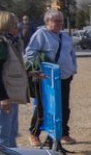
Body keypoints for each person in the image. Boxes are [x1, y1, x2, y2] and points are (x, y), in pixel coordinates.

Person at [23, 9, 78, 147]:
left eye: (61, 21)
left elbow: (71, 53)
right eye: (56, 21)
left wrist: (73, 68)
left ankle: (63, 133)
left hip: (65, 76)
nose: (59, 24)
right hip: (47, 77)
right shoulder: (41, 34)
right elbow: (30, 54)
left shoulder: (64, 36)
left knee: (64, 107)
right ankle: (34, 133)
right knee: (44, 106)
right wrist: (39, 69)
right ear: (47, 22)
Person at [0, 11, 30, 148]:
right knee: (3, 133)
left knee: (11, 132)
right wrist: (3, 98)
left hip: (9, 94)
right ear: (2, 26)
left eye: (16, 23)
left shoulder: (8, 43)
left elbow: (10, 67)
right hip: (4, 95)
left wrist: (30, 73)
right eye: (12, 24)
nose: (16, 27)